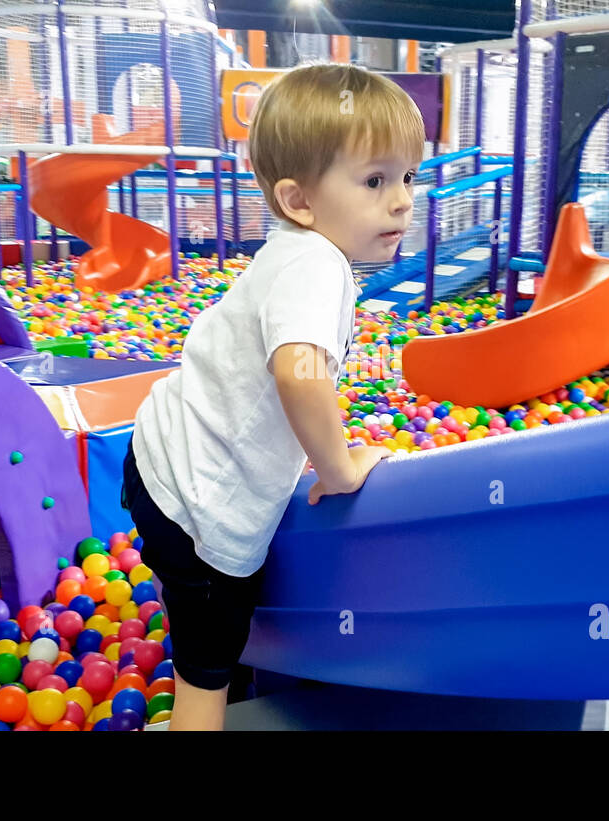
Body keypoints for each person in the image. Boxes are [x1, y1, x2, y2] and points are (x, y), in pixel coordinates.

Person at [121, 64, 425, 730]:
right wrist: (340, 466)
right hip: (193, 499)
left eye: (408, 176)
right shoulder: (317, 264)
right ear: (299, 200)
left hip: (162, 457)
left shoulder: (294, 254)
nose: (402, 199)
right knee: (208, 664)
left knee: (213, 630)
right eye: (375, 180)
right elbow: (298, 371)